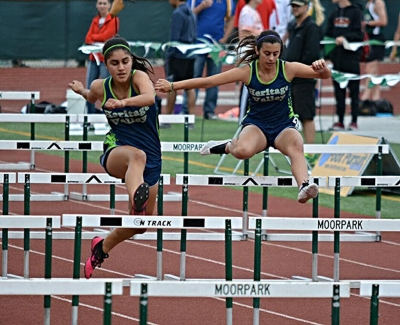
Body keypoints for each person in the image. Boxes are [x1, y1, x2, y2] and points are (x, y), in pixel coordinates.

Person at [155, 30, 332, 203]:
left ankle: (303, 186)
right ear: (257, 51)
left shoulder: (288, 68)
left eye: (275, 54)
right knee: (242, 151)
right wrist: (172, 86)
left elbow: (323, 76)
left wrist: (322, 68)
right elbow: (209, 81)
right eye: (267, 53)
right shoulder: (247, 71)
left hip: (283, 126)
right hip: (257, 125)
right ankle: (227, 146)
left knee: (297, 145)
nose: (271, 58)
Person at [68, 35, 162, 279]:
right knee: (136, 156)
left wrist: (123, 103)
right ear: (106, 65)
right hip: (117, 148)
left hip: (152, 156)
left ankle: (101, 247)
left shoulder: (138, 78)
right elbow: (91, 95)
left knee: (140, 226)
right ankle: (136, 199)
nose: (121, 67)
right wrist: (81, 91)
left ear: (131, 61)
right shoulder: (102, 86)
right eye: (114, 63)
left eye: (125, 61)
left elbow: (150, 97)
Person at [180, 0, 236, 120]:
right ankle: (186, 111)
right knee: (194, 78)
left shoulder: (227, 1)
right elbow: (188, 15)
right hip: (197, 44)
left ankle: (209, 111)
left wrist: (225, 37)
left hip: (216, 45)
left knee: (215, 78)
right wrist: (201, 7)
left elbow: (231, 17)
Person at [284, 0, 321, 167]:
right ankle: (294, 150)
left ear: (307, 7)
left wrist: (296, 67)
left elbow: (311, 53)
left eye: (298, 5)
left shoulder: (311, 27)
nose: (295, 9)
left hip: (304, 78)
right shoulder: (293, 26)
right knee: (291, 115)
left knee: (306, 115)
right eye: (292, 6)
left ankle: (311, 154)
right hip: (291, 78)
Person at [324, 0, 363, 131]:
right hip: (337, 60)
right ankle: (339, 121)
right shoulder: (334, 13)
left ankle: (354, 121)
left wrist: (344, 38)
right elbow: (328, 35)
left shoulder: (356, 12)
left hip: (351, 59)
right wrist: (327, 56)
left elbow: (359, 34)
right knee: (339, 92)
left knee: (354, 92)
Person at [162, 0, 197, 128]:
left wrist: (169, 55)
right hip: (190, 55)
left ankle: (167, 119)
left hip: (177, 56)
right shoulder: (192, 13)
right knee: (190, 88)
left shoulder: (177, 13)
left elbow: (174, 38)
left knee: (171, 86)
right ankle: (191, 121)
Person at [84, 0, 119, 114]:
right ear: (96, 5)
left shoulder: (114, 19)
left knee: (106, 87)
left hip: (105, 59)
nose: (102, 6)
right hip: (93, 58)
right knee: (89, 88)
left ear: (109, 5)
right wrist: (96, 38)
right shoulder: (95, 20)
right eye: (100, 3)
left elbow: (108, 36)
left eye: (104, 3)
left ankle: (108, 115)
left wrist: (94, 37)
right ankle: (89, 117)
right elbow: (87, 38)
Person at [360, 0, 388, 102]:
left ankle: (365, 97)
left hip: (377, 39)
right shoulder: (368, 3)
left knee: (370, 69)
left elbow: (384, 21)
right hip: (369, 38)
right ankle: (377, 97)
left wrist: (367, 23)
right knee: (374, 70)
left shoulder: (378, 2)